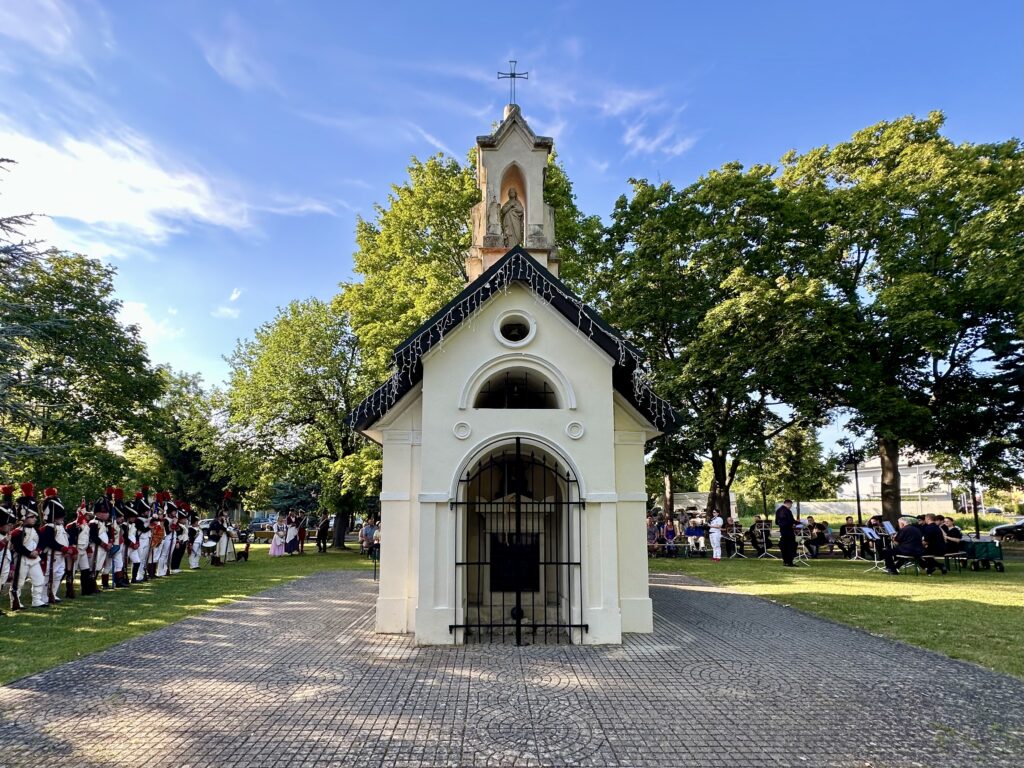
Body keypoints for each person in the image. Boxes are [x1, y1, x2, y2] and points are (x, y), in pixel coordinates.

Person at [38, 487, 72, 603]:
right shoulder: (49, 527)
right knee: (48, 575)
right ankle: (43, 596)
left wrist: (67, 548)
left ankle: (53, 593)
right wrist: (63, 548)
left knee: (58, 574)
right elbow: (50, 542)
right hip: (52, 555)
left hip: (61, 554)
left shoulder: (60, 526)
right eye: (59, 517)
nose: (62, 519)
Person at [10, 504, 47, 610]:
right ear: (24, 518)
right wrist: (29, 553)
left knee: (39, 579)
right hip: (22, 559)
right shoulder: (17, 532)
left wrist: (37, 551)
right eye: (32, 517)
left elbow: (42, 543)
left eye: (35, 517)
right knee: (19, 581)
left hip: (35, 558)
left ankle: (37, 600)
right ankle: (15, 601)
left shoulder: (36, 531)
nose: (34, 519)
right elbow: (18, 547)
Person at [775, 499, 798, 567]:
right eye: (791, 505)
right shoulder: (786, 510)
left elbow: (777, 522)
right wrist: (796, 523)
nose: (791, 506)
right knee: (791, 546)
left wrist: (796, 522)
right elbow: (788, 521)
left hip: (783, 531)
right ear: (788, 504)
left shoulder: (778, 510)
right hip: (788, 531)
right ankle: (789, 562)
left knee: (785, 547)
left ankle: (786, 562)